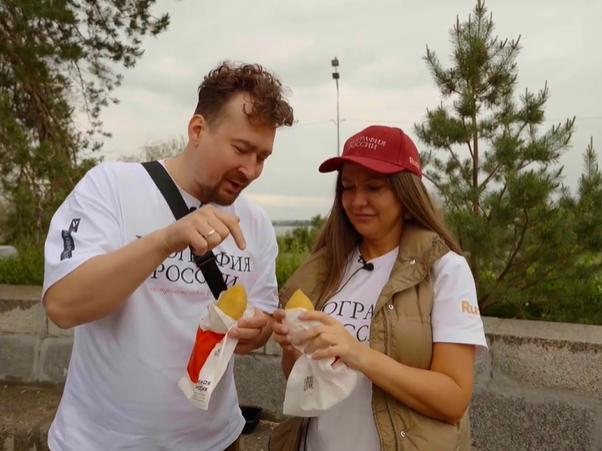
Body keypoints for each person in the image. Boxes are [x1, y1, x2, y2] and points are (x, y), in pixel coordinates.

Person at [42, 61, 294, 451]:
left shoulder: (255, 222)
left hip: (218, 439)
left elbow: (257, 321)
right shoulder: (111, 186)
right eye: (241, 149)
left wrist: (255, 331)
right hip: (102, 442)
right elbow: (62, 305)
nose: (250, 170)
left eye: (262, 156)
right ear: (198, 130)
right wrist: (164, 241)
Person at [270, 125, 487, 451]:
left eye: (374, 187)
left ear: (406, 195)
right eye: (348, 187)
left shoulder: (445, 269)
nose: (357, 201)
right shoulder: (325, 268)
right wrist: (292, 348)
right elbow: (302, 380)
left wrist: (356, 353)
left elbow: (454, 399)